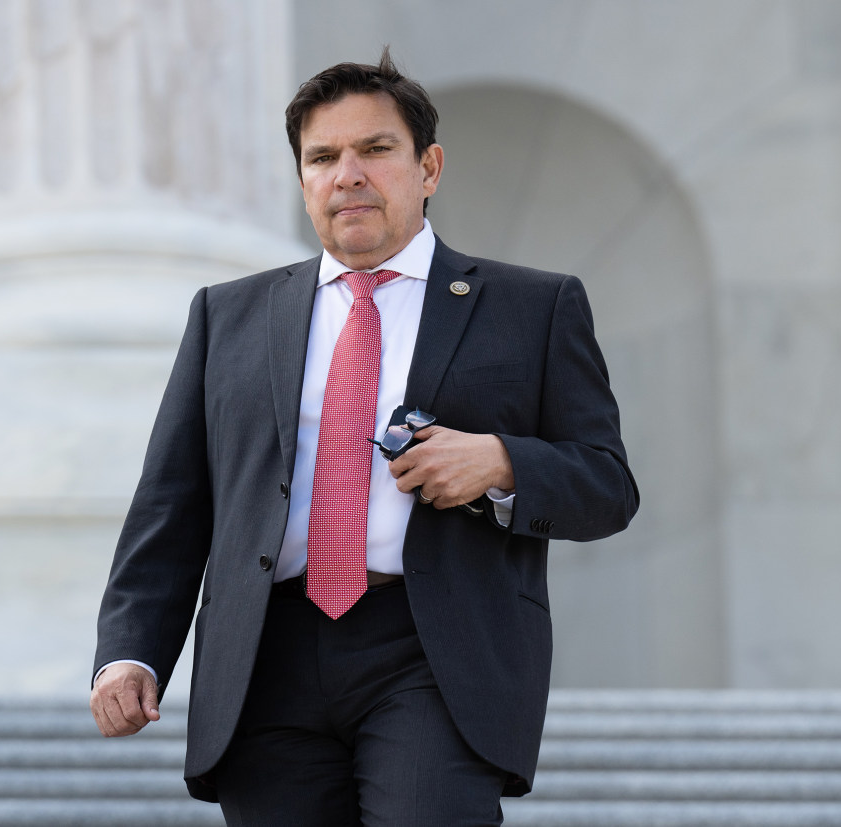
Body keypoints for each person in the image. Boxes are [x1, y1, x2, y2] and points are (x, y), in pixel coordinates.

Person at [91, 49, 638, 826]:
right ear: (304, 180)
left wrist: (503, 461)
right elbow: (172, 504)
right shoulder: (227, 316)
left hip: (433, 651)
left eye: (375, 149)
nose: (347, 173)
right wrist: (130, 650)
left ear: (429, 167)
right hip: (264, 658)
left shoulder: (534, 307)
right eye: (322, 157)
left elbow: (608, 484)